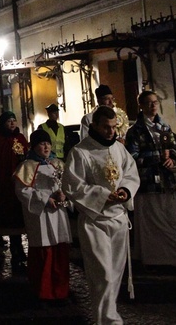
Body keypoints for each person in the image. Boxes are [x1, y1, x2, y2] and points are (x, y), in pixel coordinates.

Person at [63, 105, 140, 324]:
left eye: (114, 127)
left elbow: (130, 174)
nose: (111, 132)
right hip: (94, 221)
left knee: (115, 274)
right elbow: (72, 186)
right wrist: (104, 195)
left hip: (118, 219)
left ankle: (108, 316)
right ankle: (105, 319)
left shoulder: (119, 149)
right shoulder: (80, 152)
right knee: (102, 275)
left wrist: (125, 191)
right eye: (106, 127)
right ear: (94, 125)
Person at [125, 90, 176, 272]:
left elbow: (172, 147)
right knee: (151, 222)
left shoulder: (164, 126)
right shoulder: (135, 131)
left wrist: (171, 158)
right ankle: (154, 259)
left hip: (166, 181)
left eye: (155, 102)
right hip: (148, 182)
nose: (153, 105)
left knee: (173, 219)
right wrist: (156, 158)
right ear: (141, 106)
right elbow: (132, 156)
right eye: (149, 103)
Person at [14, 129, 72, 306]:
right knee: (44, 252)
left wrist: (65, 196)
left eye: (47, 143)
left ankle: (61, 290)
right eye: (41, 143)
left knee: (60, 250)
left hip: (59, 214)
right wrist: (45, 199)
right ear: (34, 146)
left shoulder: (57, 163)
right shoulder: (27, 166)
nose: (46, 146)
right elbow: (22, 190)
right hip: (41, 215)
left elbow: (69, 184)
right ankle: (44, 292)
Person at [0, 111, 29, 262]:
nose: (12, 123)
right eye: (9, 121)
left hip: (19, 184)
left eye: (14, 120)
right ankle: (14, 247)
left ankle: (19, 247)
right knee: (8, 217)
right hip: (4, 186)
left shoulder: (21, 138)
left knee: (19, 217)